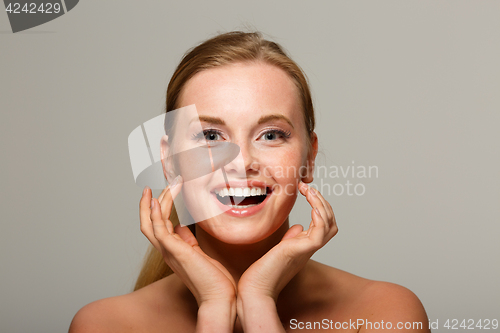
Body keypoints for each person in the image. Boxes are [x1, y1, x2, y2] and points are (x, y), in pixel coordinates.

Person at [69, 31, 430, 333]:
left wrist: (258, 302)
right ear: (169, 161)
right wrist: (214, 308)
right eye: (210, 136)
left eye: (271, 135)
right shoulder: (105, 325)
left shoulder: (385, 314)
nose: (241, 163)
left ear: (309, 158)